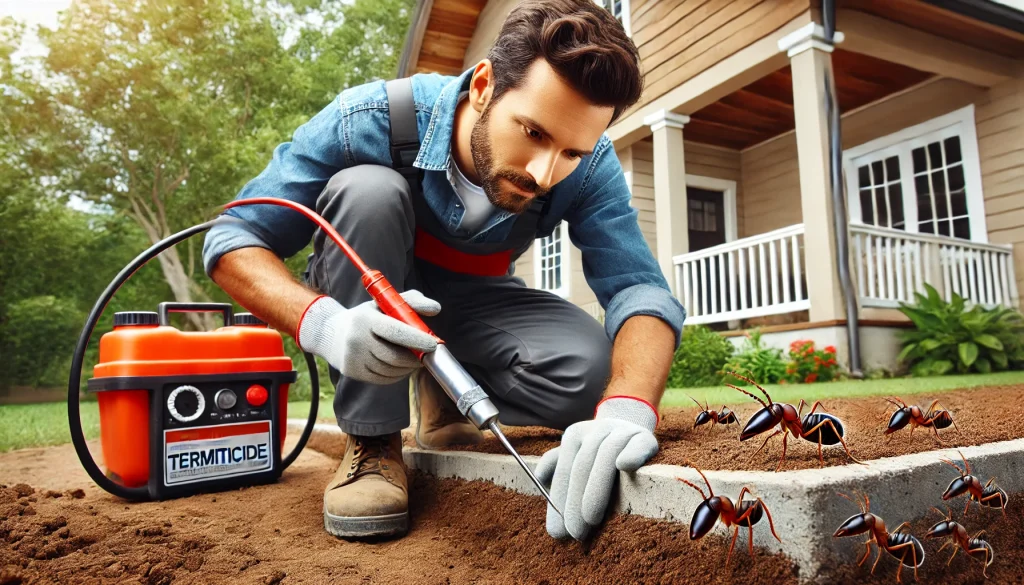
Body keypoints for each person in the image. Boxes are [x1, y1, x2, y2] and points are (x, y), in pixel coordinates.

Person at [202, 0, 685, 543]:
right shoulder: (367, 119)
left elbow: (638, 287)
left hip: (475, 298)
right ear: (483, 86)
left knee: (594, 377)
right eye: (532, 132)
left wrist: (626, 407)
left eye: (571, 152)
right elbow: (232, 239)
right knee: (368, 192)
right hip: (368, 291)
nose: (544, 173)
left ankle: (439, 389)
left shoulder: (588, 168)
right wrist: (326, 326)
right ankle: (374, 442)